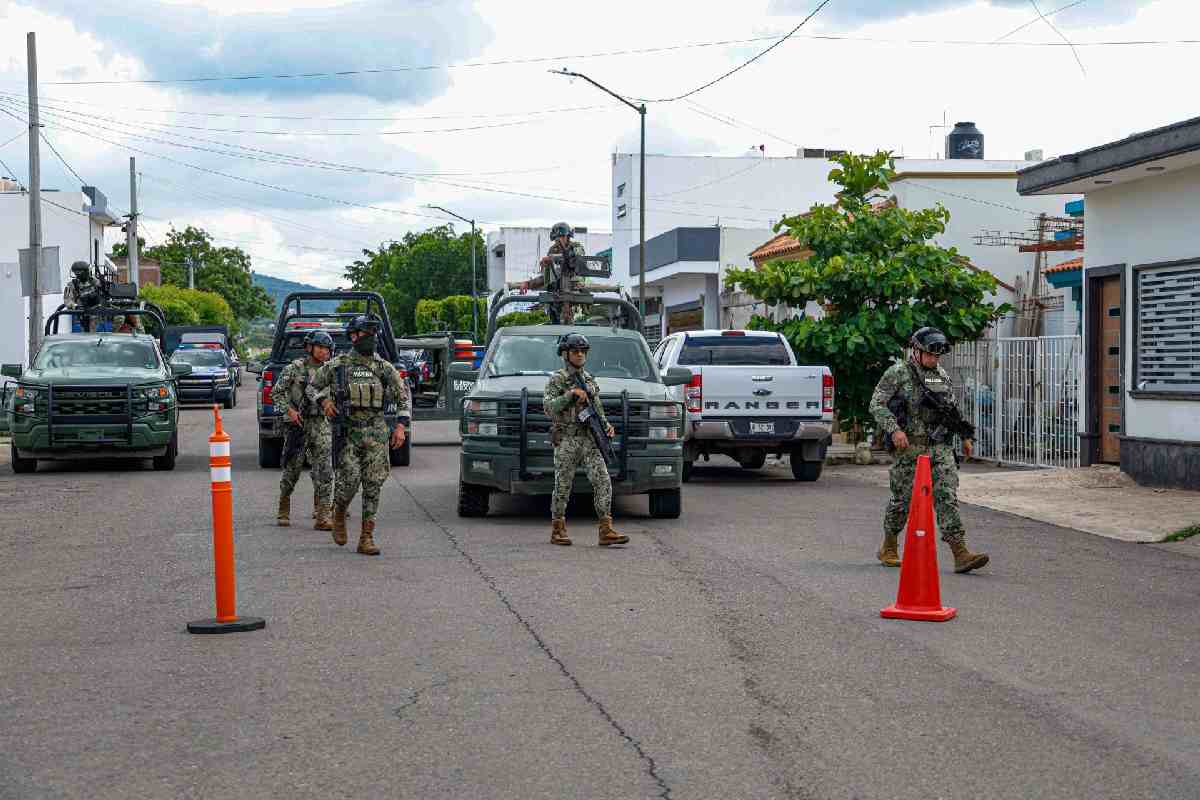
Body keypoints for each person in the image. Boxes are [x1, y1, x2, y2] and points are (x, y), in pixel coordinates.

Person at [869, 326, 989, 573]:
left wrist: (964, 435)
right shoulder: (898, 373)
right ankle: (889, 545)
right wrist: (894, 429)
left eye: (937, 356)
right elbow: (876, 404)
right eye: (930, 355)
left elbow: (949, 408)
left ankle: (960, 552)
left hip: (939, 447)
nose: (934, 360)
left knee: (947, 495)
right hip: (909, 447)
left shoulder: (938, 375)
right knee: (902, 500)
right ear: (916, 351)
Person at [312, 315, 410, 556]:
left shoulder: (383, 367)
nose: (372, 338)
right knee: (350, 483)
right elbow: (313, 385)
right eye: (367, 333)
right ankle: (339, 512)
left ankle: (366, 537)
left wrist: (400, 426)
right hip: (349, 432)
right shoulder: (339, 365)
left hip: (376, 432)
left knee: (374, 485)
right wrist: (324, 401)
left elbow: (402, 398)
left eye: (373, 334)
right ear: (354, 336)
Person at [542, 332, 628, 548]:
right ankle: (558, 529)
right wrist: (570, 395)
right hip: (567, 439)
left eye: (583, 351)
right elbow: (548, 409)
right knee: (562, 486)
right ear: (565, 353)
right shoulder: (558, 379)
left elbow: (596, 407)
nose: (579, 355)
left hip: (590, 439)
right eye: (575, 351)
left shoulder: (589, 379)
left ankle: (606, 529)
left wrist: (606, 425)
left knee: (603, 481)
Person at [273, 330, 336, 530]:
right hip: (298, 424)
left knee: (324, 470)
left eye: (327, 348)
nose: (323, 351)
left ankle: (323, 513)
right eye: (320, 347)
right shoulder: (295, 368)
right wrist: (289, 411)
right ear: (309, 348)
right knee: (293, 468)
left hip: (321, 423)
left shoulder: (331, 370)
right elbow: (277, 392)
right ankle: (284, 506)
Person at [537, 222, 588, 324]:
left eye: (561, 237)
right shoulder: (553, 249)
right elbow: (550, 269)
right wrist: (546, 264)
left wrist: (553, 258)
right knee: (554, 316)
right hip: (557, 286)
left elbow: (577, 257)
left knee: (571, 317)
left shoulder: (576, 246)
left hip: (574, 283)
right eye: (556, 238)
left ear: (567, 236)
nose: (558, 240)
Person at [62, 261, 98, 332]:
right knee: (86, 333)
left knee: (119, 317)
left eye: (80, 272)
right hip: (82, 312)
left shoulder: (94, 281)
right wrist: (75, 306)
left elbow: (104, 293)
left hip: (97, 311)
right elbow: (67, 300)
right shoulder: (72, 285)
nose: (78, 275)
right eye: (77, 273)